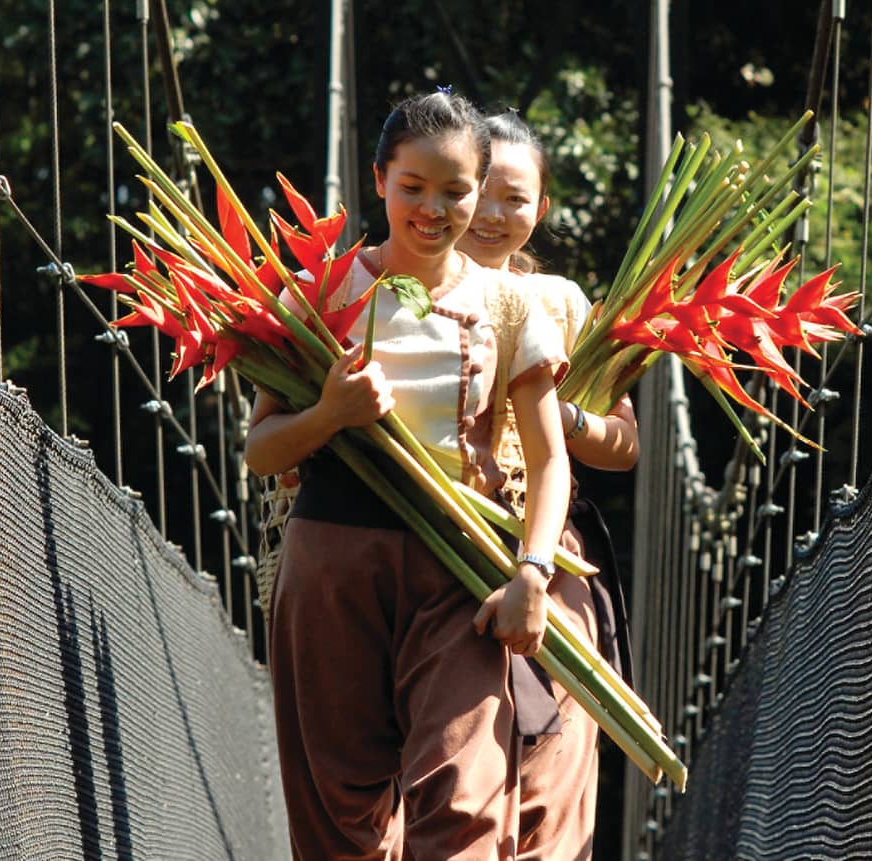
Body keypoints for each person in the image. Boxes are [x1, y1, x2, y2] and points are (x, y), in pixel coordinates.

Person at [245, 90, 573, 860]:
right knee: (338, 821)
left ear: (480, 187)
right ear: (379, 180)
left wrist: (533, 569)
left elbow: (551, 455)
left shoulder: (512, 302)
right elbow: (262, 449)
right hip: (331, 568)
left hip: (461, 573)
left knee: (467, 802)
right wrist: (330, 412)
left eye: (457, 190)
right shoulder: (319, 292)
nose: (435, 208)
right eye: (413, 187)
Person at [458, 108, 641, 861]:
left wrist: (556, 417)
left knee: (553, 779)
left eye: (518, 197)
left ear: (544, 206)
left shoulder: (564, 303)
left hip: (548, 557)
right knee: (456, 778)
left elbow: (624, 446)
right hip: (440, 545)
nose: (496, 216)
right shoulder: (399, 292)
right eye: (482, 192)